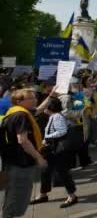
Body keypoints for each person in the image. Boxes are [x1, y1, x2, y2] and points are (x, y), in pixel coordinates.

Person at [1, 89, 47, 217]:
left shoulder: (15, 111)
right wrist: (39, 157)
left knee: (13, 194)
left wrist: (51, 96)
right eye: (31, 99)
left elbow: (38, 110)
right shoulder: (21, 116)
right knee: (18, 195)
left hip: (14, 161)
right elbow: (23, 140)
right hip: (21, 163)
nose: (35, 100)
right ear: (19, 101)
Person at [31, 96, 78, 208]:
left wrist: (47, 137)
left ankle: (72, 196)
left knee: (62, 172)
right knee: (46, 171)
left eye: (45, 106)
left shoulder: (56, 117)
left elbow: (62, 131)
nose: (43, 108)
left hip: (57, 149)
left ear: (49, 108)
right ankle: (43, 194)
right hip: (52, 149)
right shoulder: (54, 116)